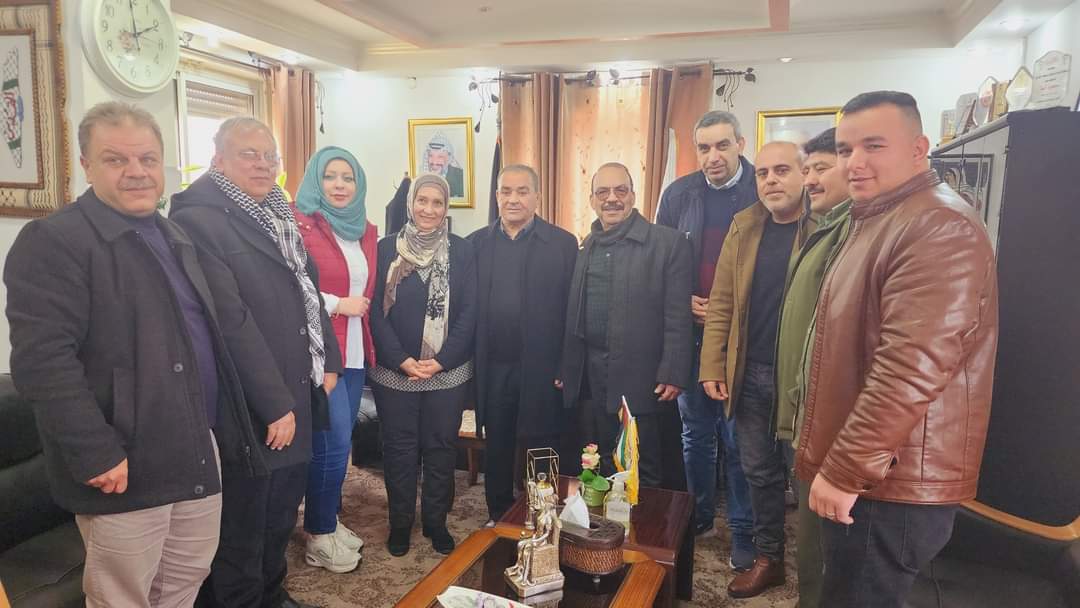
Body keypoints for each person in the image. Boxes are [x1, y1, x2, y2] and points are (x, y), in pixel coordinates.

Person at [4, 102, 264, 607]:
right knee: (123, 596)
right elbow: (42, 363)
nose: (136, 172)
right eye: (115, 160)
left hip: (194, 445)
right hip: (124, 461)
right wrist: (95, 452)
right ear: (87, 166)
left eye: (147, 159)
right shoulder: (55, 241)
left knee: (185, 580)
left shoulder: (172, 234)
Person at [798, 91, 998, 608]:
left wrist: (845, 469)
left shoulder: (936, 224)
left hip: (889, 482)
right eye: (845, 150)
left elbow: (909, 368)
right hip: (877, 474)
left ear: (918, 149)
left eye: (874, 146)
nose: (855, 162)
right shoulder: (882, 218)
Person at [171, 117, 342, 608]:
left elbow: (306, 288)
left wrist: (329, 359)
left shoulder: (276, 211)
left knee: (281, 512)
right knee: (245, 522)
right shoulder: (199, 219)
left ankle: (271, 592)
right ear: (219, 159)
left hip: (297, 387)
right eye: (249, 154)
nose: (263, 165)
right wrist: (274, 403)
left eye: (270, 156)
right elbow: (231, 320)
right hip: (251, 404)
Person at [698, 141, 805, 597]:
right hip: (751, 373)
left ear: (804, 175)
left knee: (806, 478)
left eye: (782, 170)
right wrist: (712, 365)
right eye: (763, 173)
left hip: (802, 381)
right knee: (758, 473)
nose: (771, 180)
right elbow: (721, 302)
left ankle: (817, 571)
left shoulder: (826, 227)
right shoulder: (745, 226)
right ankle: (769, 559)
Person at [656, 110, 757, 562]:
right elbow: (660, 263)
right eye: (704, 147)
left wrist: (727, 310)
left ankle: (743, 531)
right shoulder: (678, 194)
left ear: (740, 144)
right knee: (695, 434)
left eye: (722, 145)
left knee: (738, 440)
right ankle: (696, 517)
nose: (713, 156)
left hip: (744, 339)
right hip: (692, 334)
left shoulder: (762, 190)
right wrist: (683, 302)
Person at [561, 163, 692, 489]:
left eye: (620, 190)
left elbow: (678, 315)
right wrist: (569, 367)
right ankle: (610, 521)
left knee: (643, 465)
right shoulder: (587, 245)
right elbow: (574, 313)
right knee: (603, 460)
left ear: (633, 196)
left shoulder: (668, 243)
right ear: (592, 200)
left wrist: (673, 370)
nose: (612, 199)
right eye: (603, 192)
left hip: (643, 376)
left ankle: (646, 523)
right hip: (593, 375)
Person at [368, 173, 477, 557]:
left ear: (446, 208)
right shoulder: (384, 249)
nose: (429, 209)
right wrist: (400, 359)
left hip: (447, 375)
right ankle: (400, 523)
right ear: (410, 203)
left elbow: (469, 312)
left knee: (441, 448)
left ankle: (435, 521)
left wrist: (441, 361)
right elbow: (374, 313)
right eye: (422, 200)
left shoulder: (463, 251)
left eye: (437, 202)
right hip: (394, 373)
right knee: (399, 450)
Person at [467, 164, 578, 526]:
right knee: (498, 441)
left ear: (537, 197)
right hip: (493, 366)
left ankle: (541, 514)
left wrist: (566, 364)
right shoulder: (476, 244)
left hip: (543, 367)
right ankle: (499, 514)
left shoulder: (562, 244)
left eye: (522, 191)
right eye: (506, 191)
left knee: (542, 442)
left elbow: (573, 312)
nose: (513, 199)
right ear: (497, 196)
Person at [774, 127, 851, 608]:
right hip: (808, 417)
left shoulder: (856, 232)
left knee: (826, 554)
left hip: (831, 425)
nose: (810, 180)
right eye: (808, 170)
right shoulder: (827, 227)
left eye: (821, 168)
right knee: (813, 547)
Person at [292, 146, 378, 573]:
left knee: (339, 446)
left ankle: (325, 519)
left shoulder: (363, 229)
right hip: (322, 352)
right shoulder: (299, 225)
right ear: (315, 180)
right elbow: (291, 284)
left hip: (356, 351)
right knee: (333, 444)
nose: (340, 185)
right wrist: (336, 303)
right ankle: (319, 535)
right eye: (330, 176)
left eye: (348, 177)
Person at [423, 133, 465, 198]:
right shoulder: (423, 179)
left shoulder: (460, 176)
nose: (434, 162)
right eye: (430, 156)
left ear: (449, 159)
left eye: (440, 157)